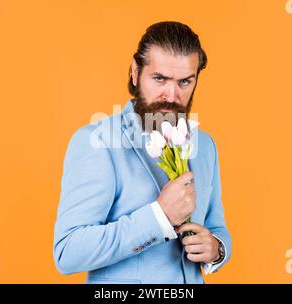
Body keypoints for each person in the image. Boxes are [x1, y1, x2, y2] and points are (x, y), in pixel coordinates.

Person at [53, 21, 231, 284]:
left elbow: (217, 228)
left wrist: (216, 249)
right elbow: (68, 252)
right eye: (160, 78)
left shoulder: (205, 146)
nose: (171, 95)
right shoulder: (95, 141)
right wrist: (159, 217)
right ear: (136, 72)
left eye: (184, 81)